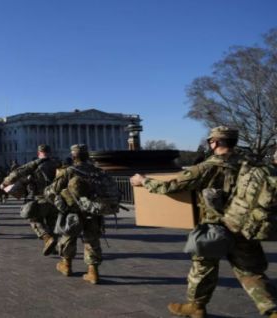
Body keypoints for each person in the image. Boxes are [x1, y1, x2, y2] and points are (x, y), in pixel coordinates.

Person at [130, 126, 277, 318]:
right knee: (250, 272)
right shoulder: (251, 164)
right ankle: (272, 309)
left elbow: (171, 185)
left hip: (214, 228)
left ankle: (196, 307)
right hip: (243, 225)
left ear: (215, 142)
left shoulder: (208, 166)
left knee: (202, 270)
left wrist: (144, 181)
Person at [44, 144, 104, 284]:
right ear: (88, 156)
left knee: (68, 237)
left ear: (73, 156)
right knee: (92, 240)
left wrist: (59, 203)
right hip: (92, 210)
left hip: (73, 210)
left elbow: (51, 190)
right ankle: (93, 271)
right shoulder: (97, 171)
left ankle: (67, 265)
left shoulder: (69, 171)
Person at [2, 144, 59, 255]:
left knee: (34, 219)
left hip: (39, 198)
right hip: (55, 200)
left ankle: (47, 238)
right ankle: (54, 246)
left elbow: (16, 174)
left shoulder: (34, 165)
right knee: (52, 223)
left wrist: (4, 183)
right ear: (50, 152)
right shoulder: (57, 164)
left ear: (38, 153)